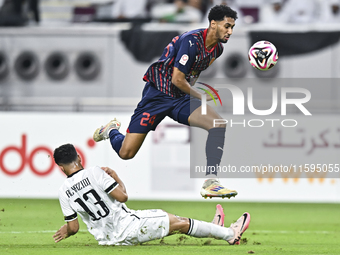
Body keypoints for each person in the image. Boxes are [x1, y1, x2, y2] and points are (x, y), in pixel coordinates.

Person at [93, 5, 239, 199]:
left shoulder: (217, 49)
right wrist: (200, 95)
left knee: (217, 124)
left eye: (232, 27)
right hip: (157, 96)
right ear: (213, 23)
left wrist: (195, 93)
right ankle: (111, 130)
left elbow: (190, 75)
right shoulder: (191, 41)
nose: (230, 31)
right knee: (126, 153)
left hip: (179, 98)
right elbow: (177, 79)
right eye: (227, 26)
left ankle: (211, 182)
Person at [52, 144, 250, 245]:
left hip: (107, 240)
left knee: (168, 221)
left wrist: (66, 231)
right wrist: (116, 177)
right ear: (78, 157)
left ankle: (212, 228)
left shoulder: (63, 192)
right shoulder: (95, 172)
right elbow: (122, 197)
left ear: (61, 167)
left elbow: (74, 227)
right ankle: (230, 234)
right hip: (128, 228)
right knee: (180, 222)